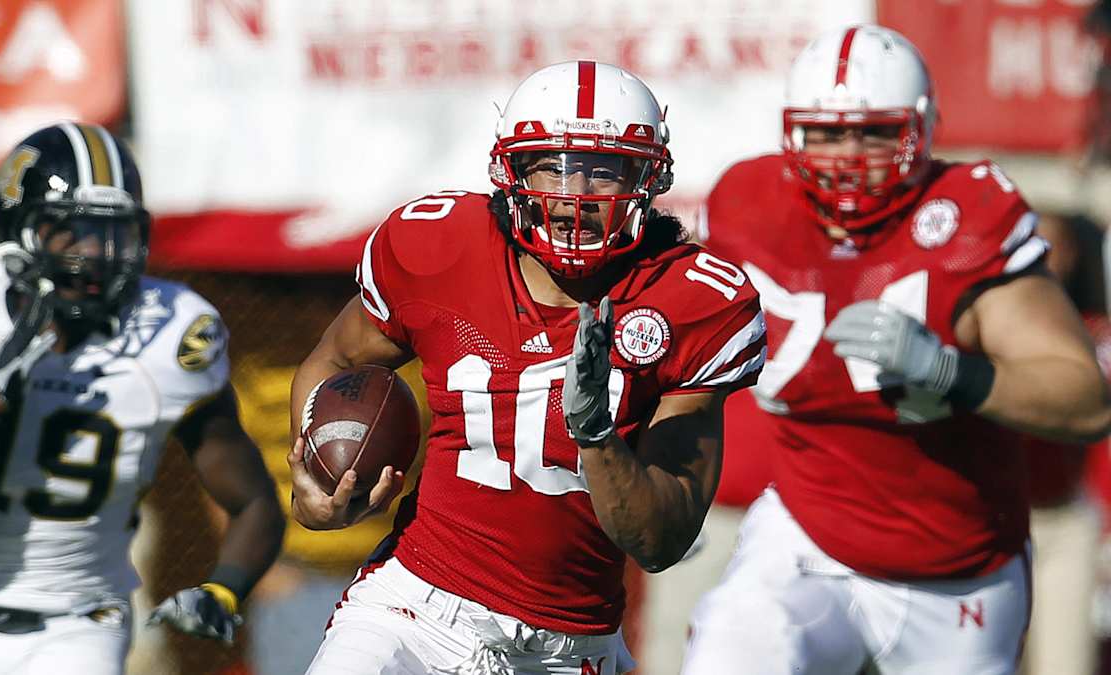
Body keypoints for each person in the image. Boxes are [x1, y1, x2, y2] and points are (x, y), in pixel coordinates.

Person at [285, 60, 767, 674]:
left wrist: (596, 435)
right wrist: (319, 479)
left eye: (603, 170)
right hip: (414, 612)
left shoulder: (690, 301)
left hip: (572, 648)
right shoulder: (438, 249)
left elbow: (658, 542)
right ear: (509, 171)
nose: (574, 194)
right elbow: (338, 359)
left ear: (649, 178)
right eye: (552, 166)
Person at [683, 24, 1111, 675]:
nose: (849, 155)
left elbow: (1085, 400)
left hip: (956, 568)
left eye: (876, 132)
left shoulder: (966, 214)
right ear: (792, 133)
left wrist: (950, 372)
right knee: (728, 658)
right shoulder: (747, 203)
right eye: (826, 133)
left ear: (922, 129)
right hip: (808, 537)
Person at [0, 122, 286, 674]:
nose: (95, 255)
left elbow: (253, 501)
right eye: (72, 232)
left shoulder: (171, 333)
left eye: (113, 235)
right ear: (18, 229)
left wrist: (226, 588)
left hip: (82, 623)